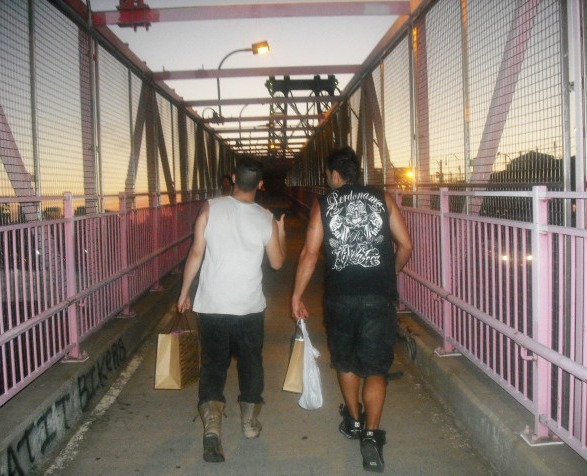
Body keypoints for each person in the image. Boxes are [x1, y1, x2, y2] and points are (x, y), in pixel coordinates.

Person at [291, 146, 413, 473]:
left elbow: (309, 254)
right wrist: (392, 272)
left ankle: (355, 422)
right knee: (375, 367)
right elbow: (406, 245)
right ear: (356, 172)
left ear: (334, 174)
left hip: (341, 297)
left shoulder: (324, 204)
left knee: (345, 360)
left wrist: (296, 296)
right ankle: (371, 437)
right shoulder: (383, 198)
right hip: (378, 296)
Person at [177, 156, 286, 463]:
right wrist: (282, 233)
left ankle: (212, 429)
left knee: (213, 365)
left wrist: (185, 293)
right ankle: (249, 425)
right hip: (249, 307)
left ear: (234, 180)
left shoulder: (210, 207)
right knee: (251, 363)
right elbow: (277, 263)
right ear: (260, 185)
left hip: (211, 306)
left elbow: (196, 252)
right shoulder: (265, 217)